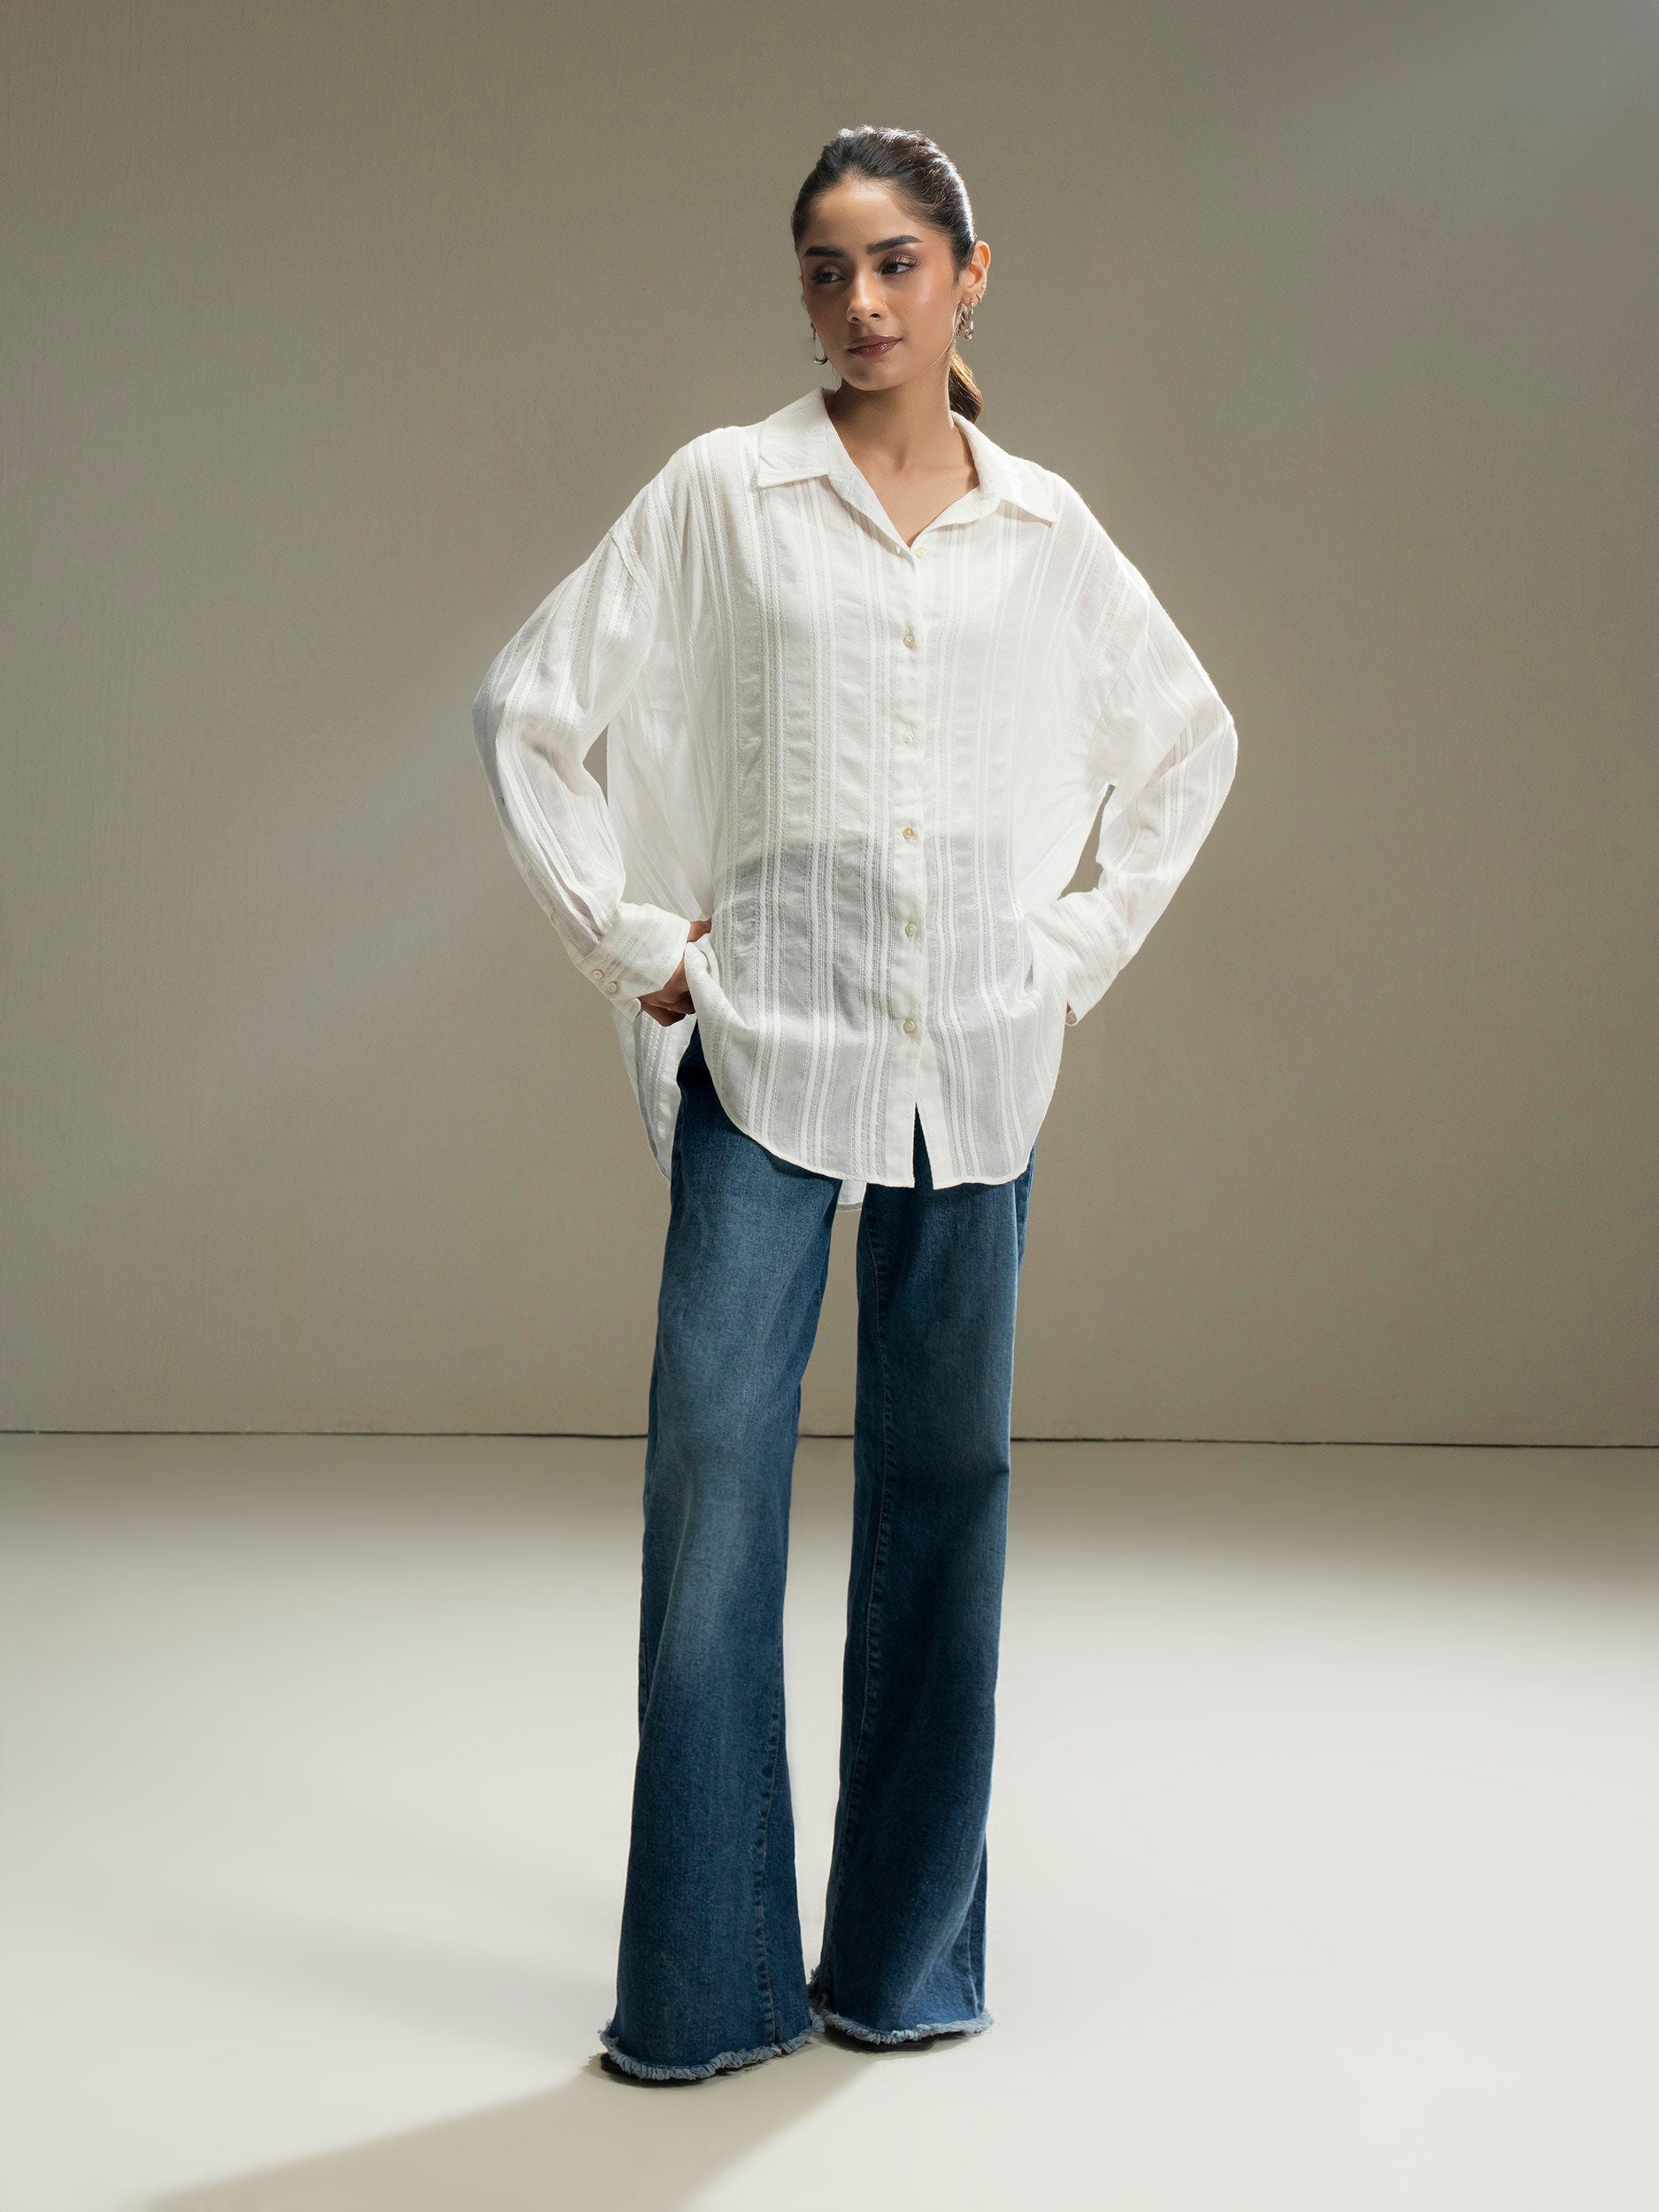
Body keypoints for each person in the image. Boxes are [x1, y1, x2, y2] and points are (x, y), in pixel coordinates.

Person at [471, 125, 1238, 2085]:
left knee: (946, 1491)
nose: (860, 302)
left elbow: (1186, 740)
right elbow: (528, 711)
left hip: (971, 1066)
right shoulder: (724, 493)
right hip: (768, 1046)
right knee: (714, 1487)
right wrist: (630, 939)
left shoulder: (1043, 529)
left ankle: (901, 1963)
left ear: (971, 275)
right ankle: (707, 1983)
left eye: (896, 262)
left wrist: (1064, 955)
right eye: (825, 268)